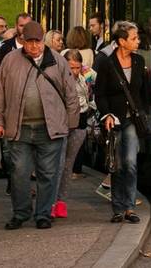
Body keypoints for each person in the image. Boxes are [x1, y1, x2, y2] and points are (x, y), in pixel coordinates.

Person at [0, 20, 83, 230]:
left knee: (48, 174)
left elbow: (71, 94)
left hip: (51, 128)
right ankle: (21, 213)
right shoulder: (10, 61)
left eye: (38, 42)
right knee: (19, 173)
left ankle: (43, 214)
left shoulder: (58, 61)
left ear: (43, 41)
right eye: (29, 42)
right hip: (19, 127)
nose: (34, 46)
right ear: (22, 41)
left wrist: (70, 125)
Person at [95, 21, 151, 224]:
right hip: (113, 121)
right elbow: (100, 94)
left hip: (132, 119)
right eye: (134, 38)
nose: (138, 41)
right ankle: (118, 208)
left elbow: (147, 90)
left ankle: (129, 208)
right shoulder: (107, 63)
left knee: (131, 163)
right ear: (122, 41)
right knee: (118, 165)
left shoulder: (139, 61)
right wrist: (106, 114)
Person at [54, 49, 96, 219]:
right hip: (62, 123)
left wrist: (87, 71)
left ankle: (61, 201)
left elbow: (100, 81)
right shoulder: (57, 80)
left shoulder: (84, 78)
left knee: (68, 165)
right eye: (71, 67)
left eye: (77, 67)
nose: (74, 71)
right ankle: (50, 201)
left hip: (80, 123)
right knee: (58, 163)